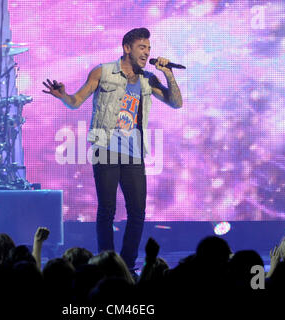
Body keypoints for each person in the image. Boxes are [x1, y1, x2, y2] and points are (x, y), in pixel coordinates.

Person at [43, 27, 183, 271]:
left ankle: (127, 264)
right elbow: (76, 102)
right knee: (107, 210)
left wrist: (168, 74)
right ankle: (107, 263)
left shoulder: (148, 78)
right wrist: (64, 95)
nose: (146, 52)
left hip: (135, 151)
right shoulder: (103, 72)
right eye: (142, 47)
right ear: (127, 48)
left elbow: (176, 103)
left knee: (137, 211)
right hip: (105, 146)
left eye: (148, 48)